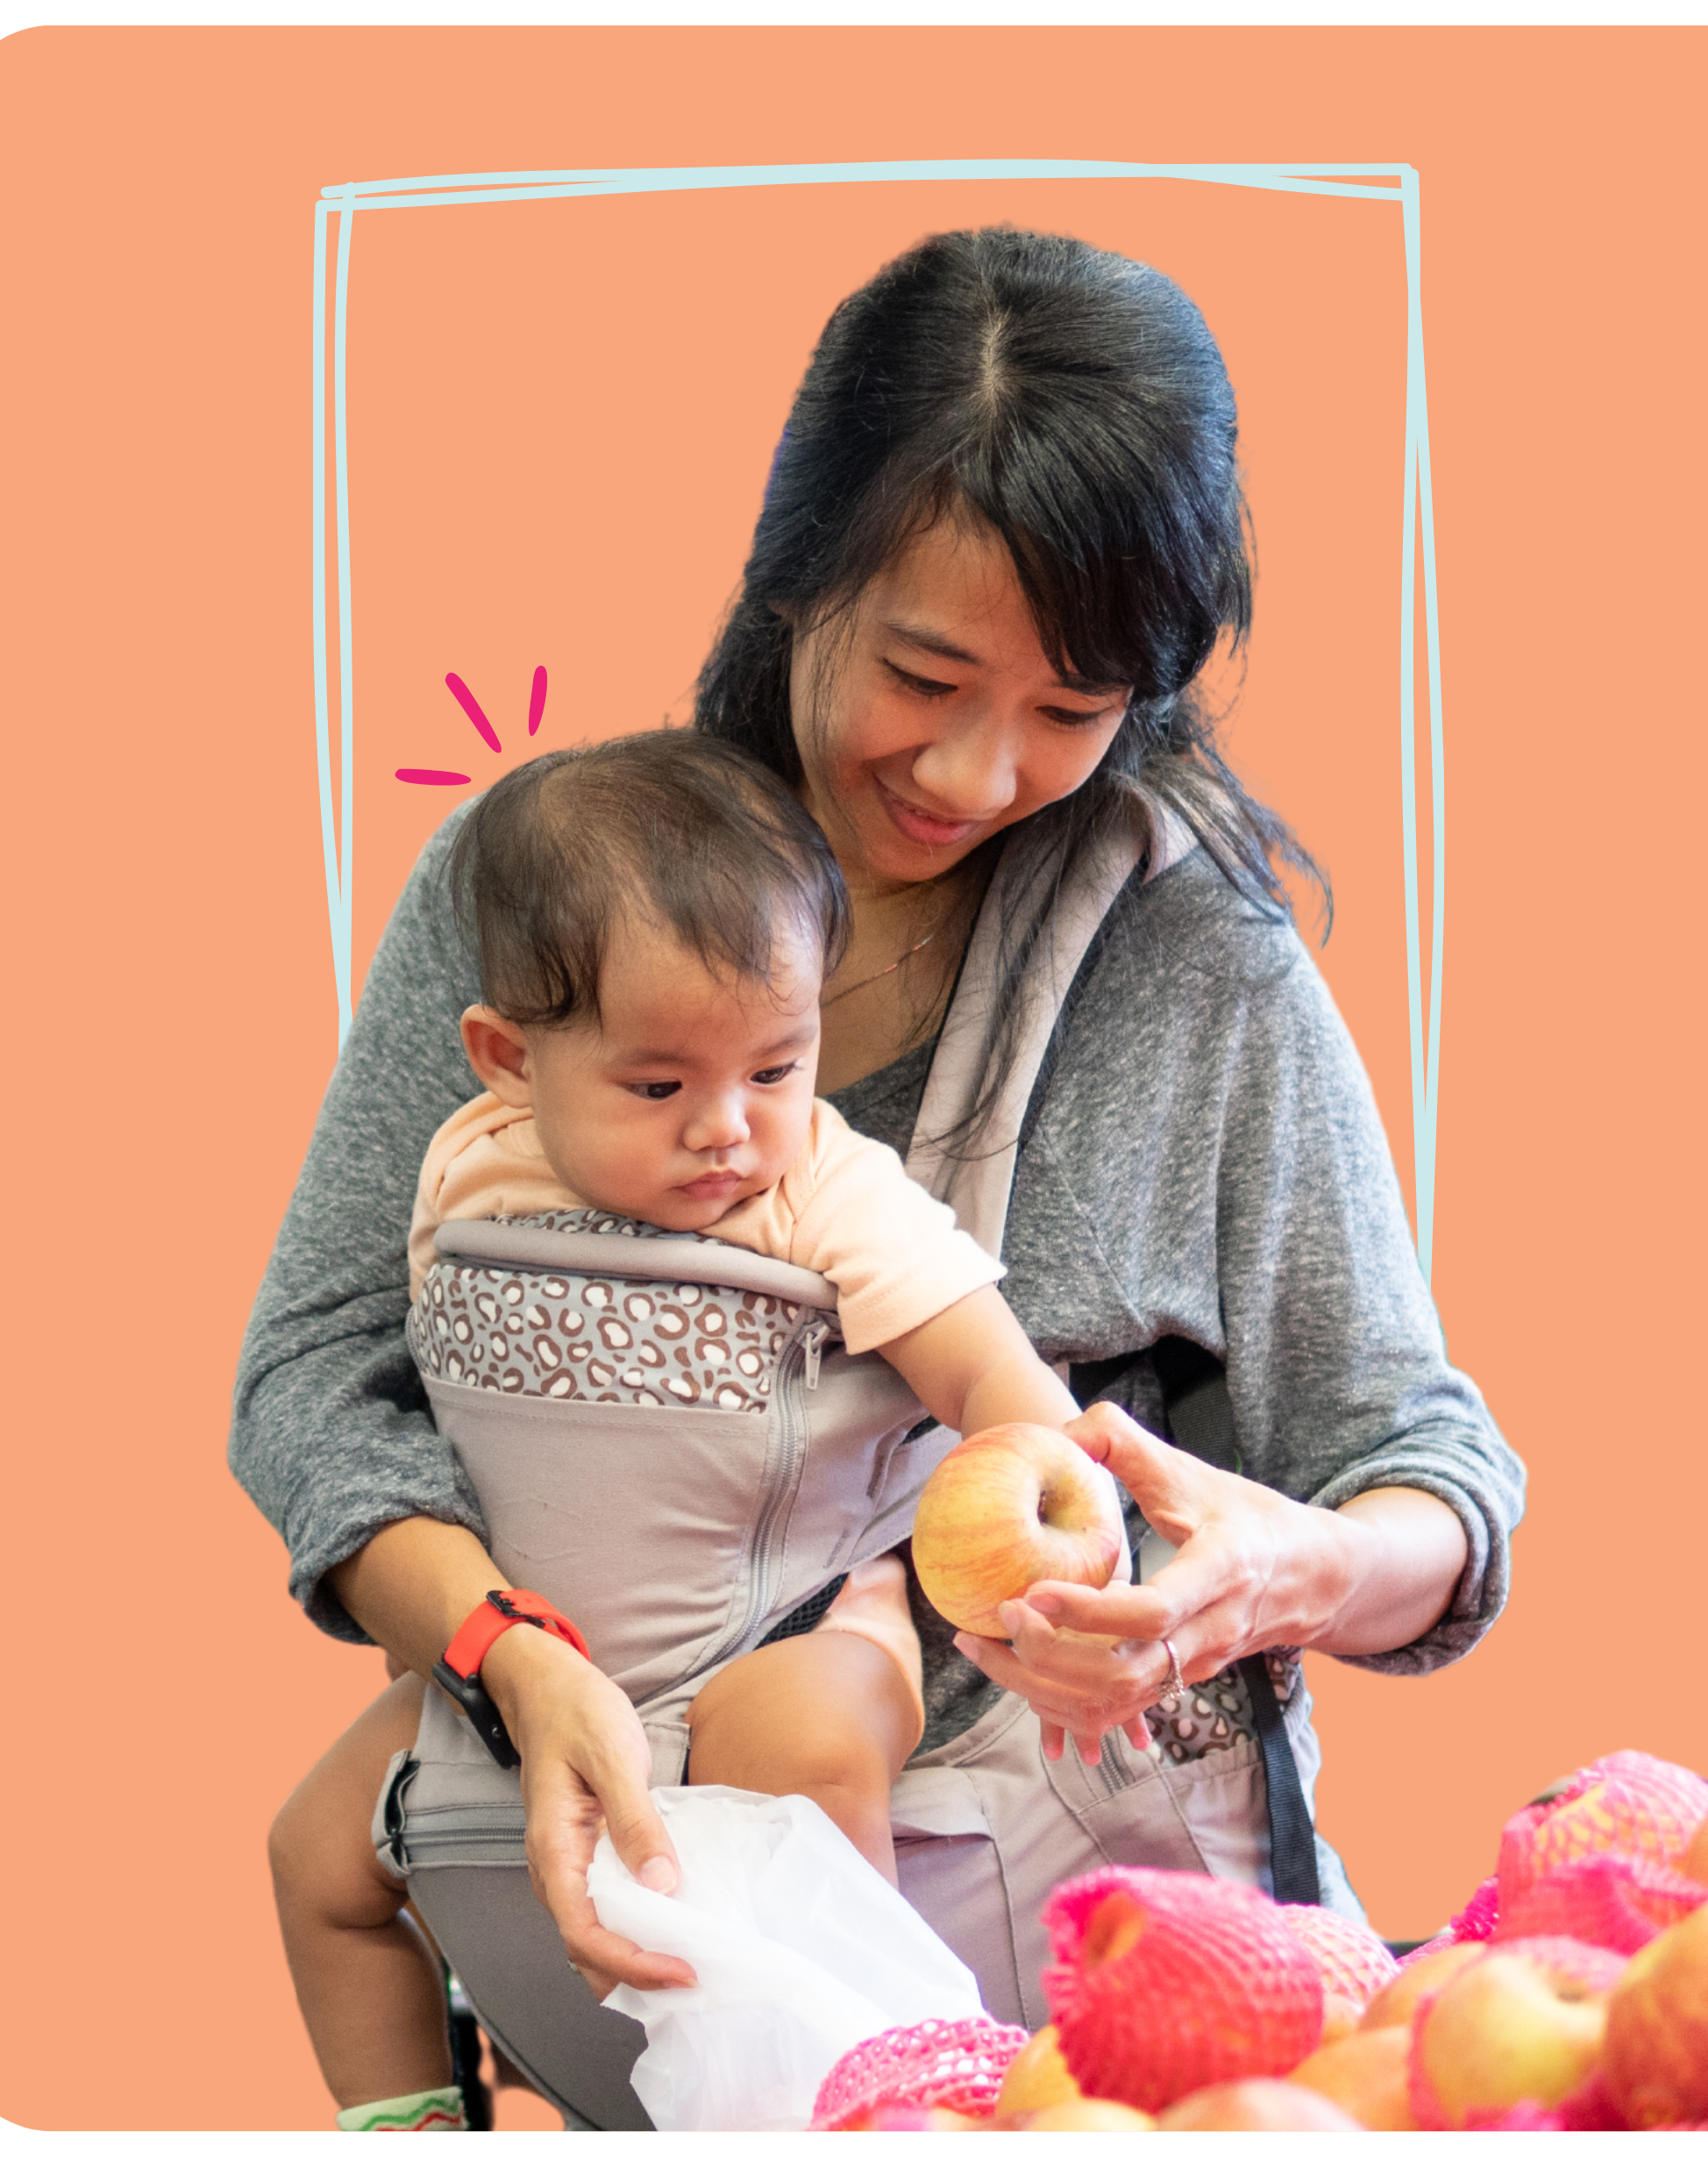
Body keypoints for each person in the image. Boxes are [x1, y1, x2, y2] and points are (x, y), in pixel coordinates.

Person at [234, 223, 1524, 2113]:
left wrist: (1293, 1569)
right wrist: (506, 1650)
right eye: (924, 672)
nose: (981, 771)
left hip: (1094, 2007)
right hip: (595, 1840)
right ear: (793, 573)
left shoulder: (1199, 975)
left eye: (1073, 711)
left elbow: (1431, 1474)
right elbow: (312, 1371)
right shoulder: (547, 894)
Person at [266, 729, 1123, 2129]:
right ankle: (406, 2115)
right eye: (659, 1086)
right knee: (315, 1853)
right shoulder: (466, 1166)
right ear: (505, 1059)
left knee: (802, 1748)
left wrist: (1065, 1551)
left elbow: (1001, 1391)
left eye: (777, 1067)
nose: (728, 1129)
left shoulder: (828, 1191)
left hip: (771, 1635)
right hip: (529, 1656)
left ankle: (870, 2079)